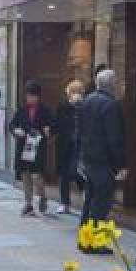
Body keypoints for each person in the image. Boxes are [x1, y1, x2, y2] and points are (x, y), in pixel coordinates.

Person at [78, 68, 125, 254]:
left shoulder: (87, 100)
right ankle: (96, 243)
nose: (120, 85)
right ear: (112, 85)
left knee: (89, 201)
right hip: (103, 161)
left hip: (88, 159)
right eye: (118, 82)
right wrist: (120, 165)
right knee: (101, 204)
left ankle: (84, 241)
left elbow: (79, 131)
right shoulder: (111, 105)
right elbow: (115, 138)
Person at [10, 80, 54, 216]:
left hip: (37, 145)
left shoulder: (45, 110)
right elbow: (12, 125)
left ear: (38, 96)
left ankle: (42, 196)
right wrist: (16, 130)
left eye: (32, 96)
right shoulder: (21, 109)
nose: (29, 98)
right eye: (28, 95)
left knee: (36, 175)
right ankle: (28, 204)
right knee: (25, 174)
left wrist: (48, 130)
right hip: (23, 145)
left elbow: (52, 125)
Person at [54, 79, 86, 215]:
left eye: (78, 92)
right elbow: (57, 123)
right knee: (64, 174)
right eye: (73, 92)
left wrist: (79, 106)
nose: (75, 95)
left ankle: (86, 200)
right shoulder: (62, 106)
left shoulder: (85, 106)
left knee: (78, 172)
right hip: (64, 145)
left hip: (80, 145)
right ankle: (65, 203)